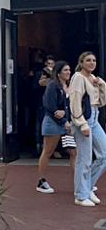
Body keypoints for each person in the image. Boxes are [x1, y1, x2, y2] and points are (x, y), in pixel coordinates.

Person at [69, 50, 105, 207]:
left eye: (94, 60)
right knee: (84, 159)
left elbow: (101, 102)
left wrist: (101, 85)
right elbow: (75, 102)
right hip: (84, 118)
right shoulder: (78, 78)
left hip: (95, 117)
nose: (92, 63)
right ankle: (81, 195)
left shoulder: (93, 79)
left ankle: (88, 187)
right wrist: (81, 123)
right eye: (88, 60)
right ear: (81, 62)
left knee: (104, 155)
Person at [36, 61, 72, 194]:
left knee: (73, 152)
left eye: (69, 70)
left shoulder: (68, 86)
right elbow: (50, 106)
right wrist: (63, 118)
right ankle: (41, 181)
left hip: (66, 124)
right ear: (58, 73)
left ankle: (80, 181)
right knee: (48, 151)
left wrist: (66, 115)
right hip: (53, 123)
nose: (68, 72)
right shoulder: (52, 85)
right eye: (65, 70)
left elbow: (69, 106)